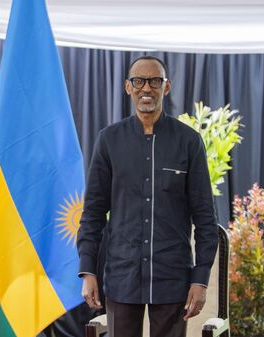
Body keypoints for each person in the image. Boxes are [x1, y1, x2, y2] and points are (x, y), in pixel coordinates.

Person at [76, 56, 218, 337]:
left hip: (172, 277)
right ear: (128, 87)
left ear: (166, 87)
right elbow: (93, 213)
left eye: (155, 81)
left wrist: (200, 280)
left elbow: (205, 219)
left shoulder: (189, 142)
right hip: (121, 275)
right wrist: (88, 271)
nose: (146, 89)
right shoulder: (109, 140)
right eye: (138, 81)